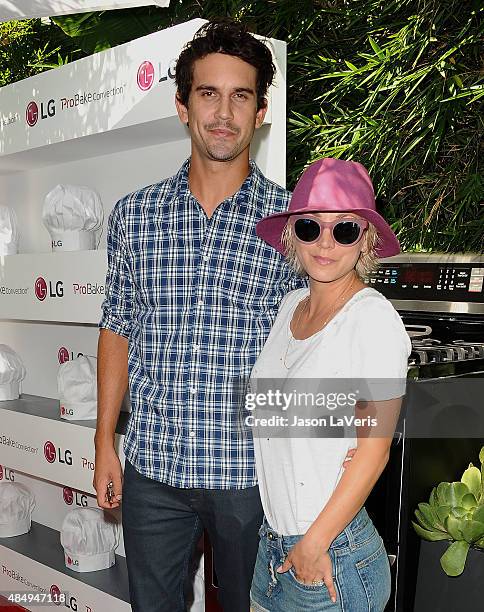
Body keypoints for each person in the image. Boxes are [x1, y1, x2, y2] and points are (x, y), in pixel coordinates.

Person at [249, 157, 411, 611]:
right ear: (291, 235)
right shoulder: (289, 306)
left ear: (366, 241)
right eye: (309, 227)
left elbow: (375, 450)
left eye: (344, 230)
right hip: (275, 547)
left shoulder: (372, 319)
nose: (325, 243)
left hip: (330, 557)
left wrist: (314, 544)